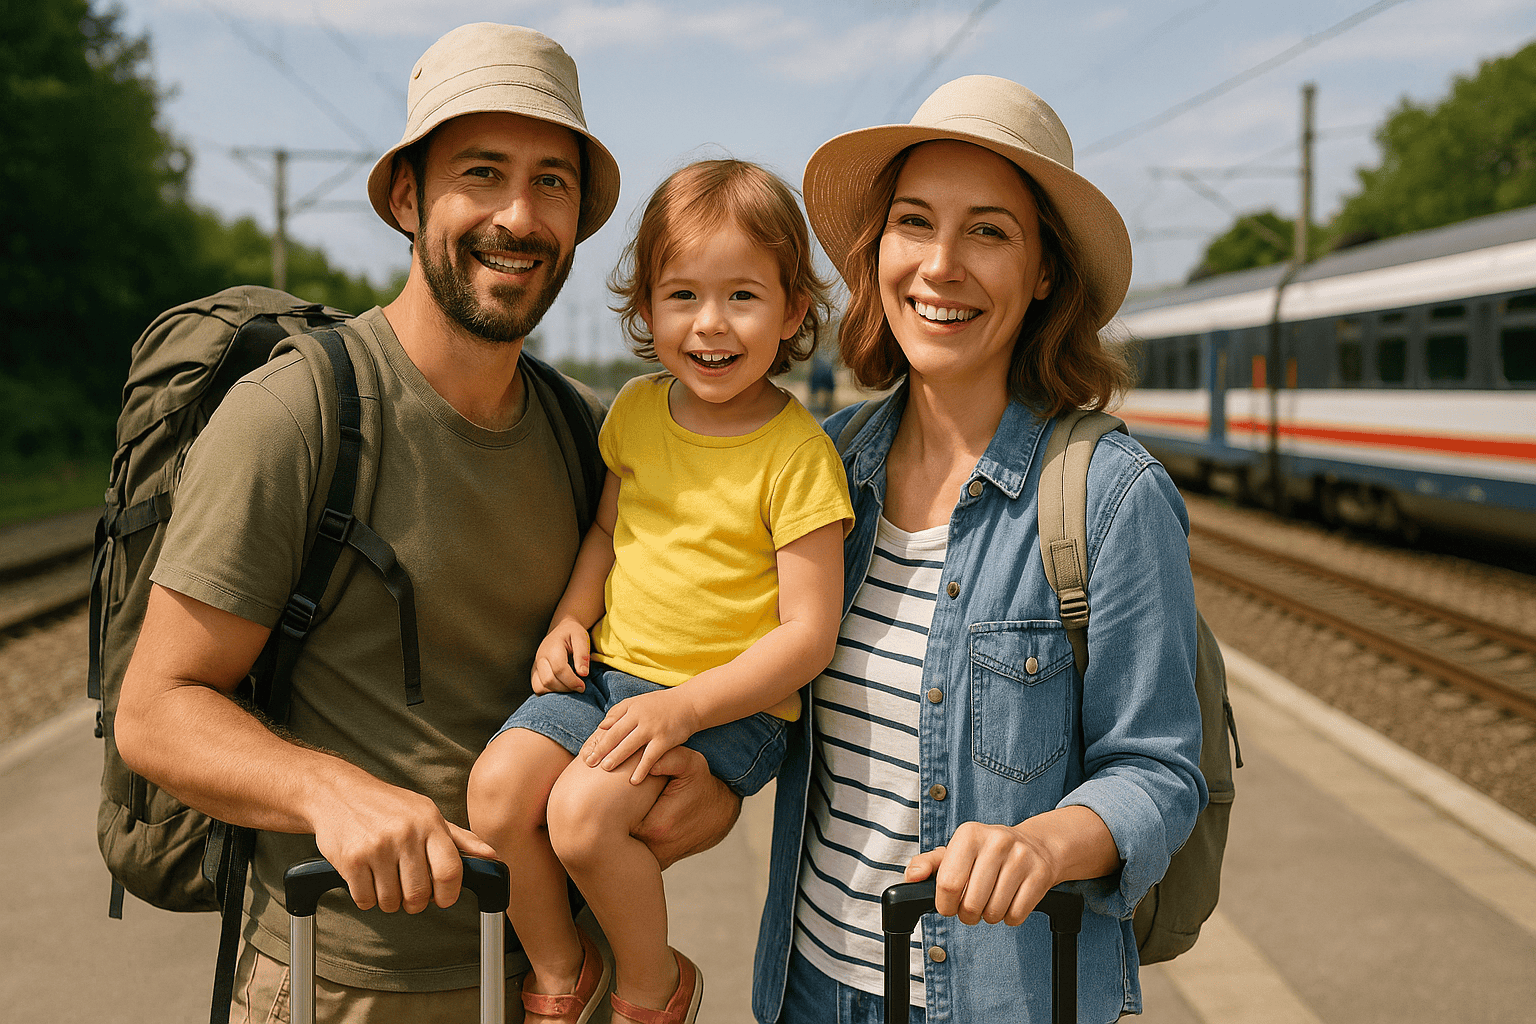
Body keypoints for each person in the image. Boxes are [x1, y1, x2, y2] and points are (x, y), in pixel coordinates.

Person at [115, 24, 740, 1022]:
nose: (519, 217)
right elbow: (157, 708)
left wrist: (712, 782)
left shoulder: (592, 435)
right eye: (481, 174)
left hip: (555, 982)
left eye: (552, 183)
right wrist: (327, 790)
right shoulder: (300, 415)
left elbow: (690, 637)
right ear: (407, 197)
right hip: (343, 983)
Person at [751, 76, 1209, 1023]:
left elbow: (1160, 771)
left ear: (1045, 272)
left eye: (990, 231)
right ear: (878, 251)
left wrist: (1045, 843)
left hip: (1000, 997)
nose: (942, 266)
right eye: (915, 223)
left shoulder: (1111, 497)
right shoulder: (825, 468)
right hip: (810, 985)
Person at [466, 159, 854, 1024]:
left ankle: (652, 987)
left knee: (583, 818)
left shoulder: (799, 457)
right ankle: (565, 971)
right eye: (681, 295)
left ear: (794, 311)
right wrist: (570, 617)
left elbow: (807, 637)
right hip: (613, 678)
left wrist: (683, 712)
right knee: (495, 791)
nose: (710, 325)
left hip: (728, 709)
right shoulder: (637, 412)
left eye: (743, 298)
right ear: (645, 309)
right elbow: (607, 533)